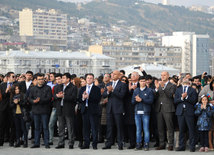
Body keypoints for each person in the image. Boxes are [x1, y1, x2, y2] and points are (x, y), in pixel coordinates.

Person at [102, 70, 127, 150]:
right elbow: (104, 94)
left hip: (118, 109)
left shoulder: (123, 84)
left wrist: (112, 90)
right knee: (109, 127)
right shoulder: (108, 84)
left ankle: (120, 144)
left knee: (119, 127)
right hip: (109, 108)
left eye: (114, 74)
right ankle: (108, 143)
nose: (112, 75)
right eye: (112, 74)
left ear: (119, 76)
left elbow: (122, 95)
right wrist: (108, 92)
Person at [29, 73, 52, 149]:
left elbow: (49, 98)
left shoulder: (48, 88)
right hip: (35, 111)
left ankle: (46, 143)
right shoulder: (33, 89)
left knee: (45, 127)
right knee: (36, 128)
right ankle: (36, 143)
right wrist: (33, 101)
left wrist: (40, 100)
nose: (41, 80)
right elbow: (29, 98)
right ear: (36, 80)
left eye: (42, 79)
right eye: (39, 79)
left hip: (45, 110)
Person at [155, 71, 176, 151]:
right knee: (160, 127)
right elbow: (155, 96)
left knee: (169, 127)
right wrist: (157, 89)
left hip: (168, 108)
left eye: (164, 75)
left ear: (168, 76)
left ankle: (170, 144)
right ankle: (162, 144)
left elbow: (170, 95)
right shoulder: (159, 85)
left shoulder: (172, 85)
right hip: (159, 108)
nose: (162, 76)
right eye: (161, 75)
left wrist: (163, 87)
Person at [79, 73, 101, 149]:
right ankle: (86, 144)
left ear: (93, 79)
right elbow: (79, 99)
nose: (89, 79)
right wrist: (83, 98)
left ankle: (94, 144)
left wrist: (89, 97)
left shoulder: (96, 88)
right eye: (88, 78)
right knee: (85, 128)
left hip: (93, 110)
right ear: (85, 79)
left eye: (91, 78)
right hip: (85, 110)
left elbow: (98, 99)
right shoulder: (82, 88)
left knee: (94, 128)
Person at [174, 78, 198, 152]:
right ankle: (181, 146)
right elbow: (175, 101)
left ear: (189, 82)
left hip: (189, 112)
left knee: (191, 130)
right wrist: (182, 98)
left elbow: (194, 101)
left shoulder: (192, 90)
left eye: (186, 79)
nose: (185, 80)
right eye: (183, 79)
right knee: (181, 130)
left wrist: (187, 97)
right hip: (180, 112)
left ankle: (192, 146)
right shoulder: (178, 89)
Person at [55, 73, 77, 149]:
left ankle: (71, 143)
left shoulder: (73, 87)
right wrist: (57, 96)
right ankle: (61, 143)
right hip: (60, 109)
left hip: (68, 109)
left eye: (64, 78)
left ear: (68, 79)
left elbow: (74, 98)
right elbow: (54, 96)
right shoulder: (58, 86)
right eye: (62, 78)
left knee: (70, 127)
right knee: (60, 127)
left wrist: (64, 96)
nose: (62, 79)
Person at [132, 76, 154, 151]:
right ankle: (138, 144)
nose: (143, 82)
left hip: (146, 112)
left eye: (144, 81)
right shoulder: (136, 90)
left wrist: (141, 100)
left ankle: (146, 144)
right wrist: (136, 100)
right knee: (138, 129)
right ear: (139, 82)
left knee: (146, 129)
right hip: (137, 112)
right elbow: (132, 101)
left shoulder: (149, 90)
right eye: (141, 81)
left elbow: (151, 101)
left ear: (146, 82)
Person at [0, 72, 16, 147]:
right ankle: (1, 140)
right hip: (3, 107)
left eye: (14, 76)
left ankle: (11, 141)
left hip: (13, 107)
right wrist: (6, 90)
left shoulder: (16, 85)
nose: (14, 78)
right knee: (2, 124)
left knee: (12, 125)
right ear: (8, 77)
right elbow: (2, 96)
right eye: (12, 76)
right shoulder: (2, 85)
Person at [48, 73, 62, 145]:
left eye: (59, 79)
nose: (58, 81)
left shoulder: (65, 86)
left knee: (61, 125)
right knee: (51, 124)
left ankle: (61, 141)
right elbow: (52, 96)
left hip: (63, 108)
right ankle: (50, 140)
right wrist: (57, 96)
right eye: (56, 79)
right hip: (55, 107)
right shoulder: (55, 87)